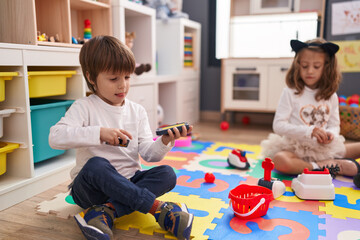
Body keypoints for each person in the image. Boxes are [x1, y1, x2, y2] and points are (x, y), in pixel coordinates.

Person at [49, 35, 194, 240]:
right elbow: (55, 137)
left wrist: (165, 142)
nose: (123, 86)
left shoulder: (137, 111)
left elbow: (148, 155)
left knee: (168, 174)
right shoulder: (84, 107)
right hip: (91, 189)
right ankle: (158, 210)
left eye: (126, 77)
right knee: (96, 164)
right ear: (91, 77)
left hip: (129, 183)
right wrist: (99, 133)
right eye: (113, 79)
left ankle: (106, 212)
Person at [261, 38, 360, 181]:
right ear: (297, 65)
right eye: (305, 66)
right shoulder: (290, 92)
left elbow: (334, 125)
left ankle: (331, 163)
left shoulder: (331, 96)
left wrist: (330, 135)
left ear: (326, 67)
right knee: (280, 160)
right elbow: (278, 125)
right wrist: (309, 131)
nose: (310, 71)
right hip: (296, 148)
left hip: (324, 148)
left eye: (316, 66)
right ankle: (321, 166)